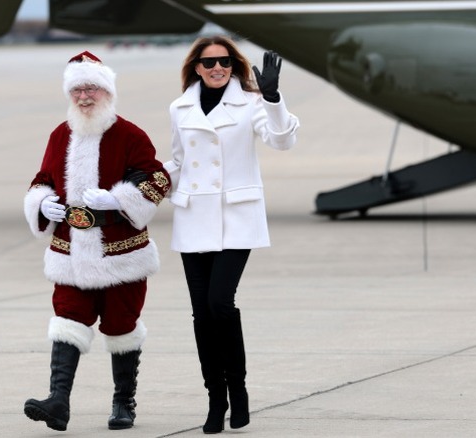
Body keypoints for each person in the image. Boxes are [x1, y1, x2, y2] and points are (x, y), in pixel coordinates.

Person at [22, 51, 171, 432]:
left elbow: (157, 179)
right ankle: (58, 401)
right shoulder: (60, 134)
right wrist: (43, 202)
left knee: (122, 326)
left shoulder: (130, 134)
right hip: (70, 250)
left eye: (92, 88)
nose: (85, 97)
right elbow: (42, 178)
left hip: (119, 253)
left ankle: (124, 402)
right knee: (67, 318)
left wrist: (120, 198)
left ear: (107, 92)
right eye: (78, 90)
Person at [163, 36, 300, 434]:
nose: (217, 68)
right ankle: (214, 398)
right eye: (209, 63)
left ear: (233, 65)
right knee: (202, 314)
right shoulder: (180, 107)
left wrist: (273, 98)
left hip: (235, 218)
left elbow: (282, 140)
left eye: (224, 61)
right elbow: (178, 160)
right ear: (196, 68)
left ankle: (238, 390)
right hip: (193, 217)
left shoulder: (252, 103)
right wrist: (152, 179)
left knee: (220, 303)